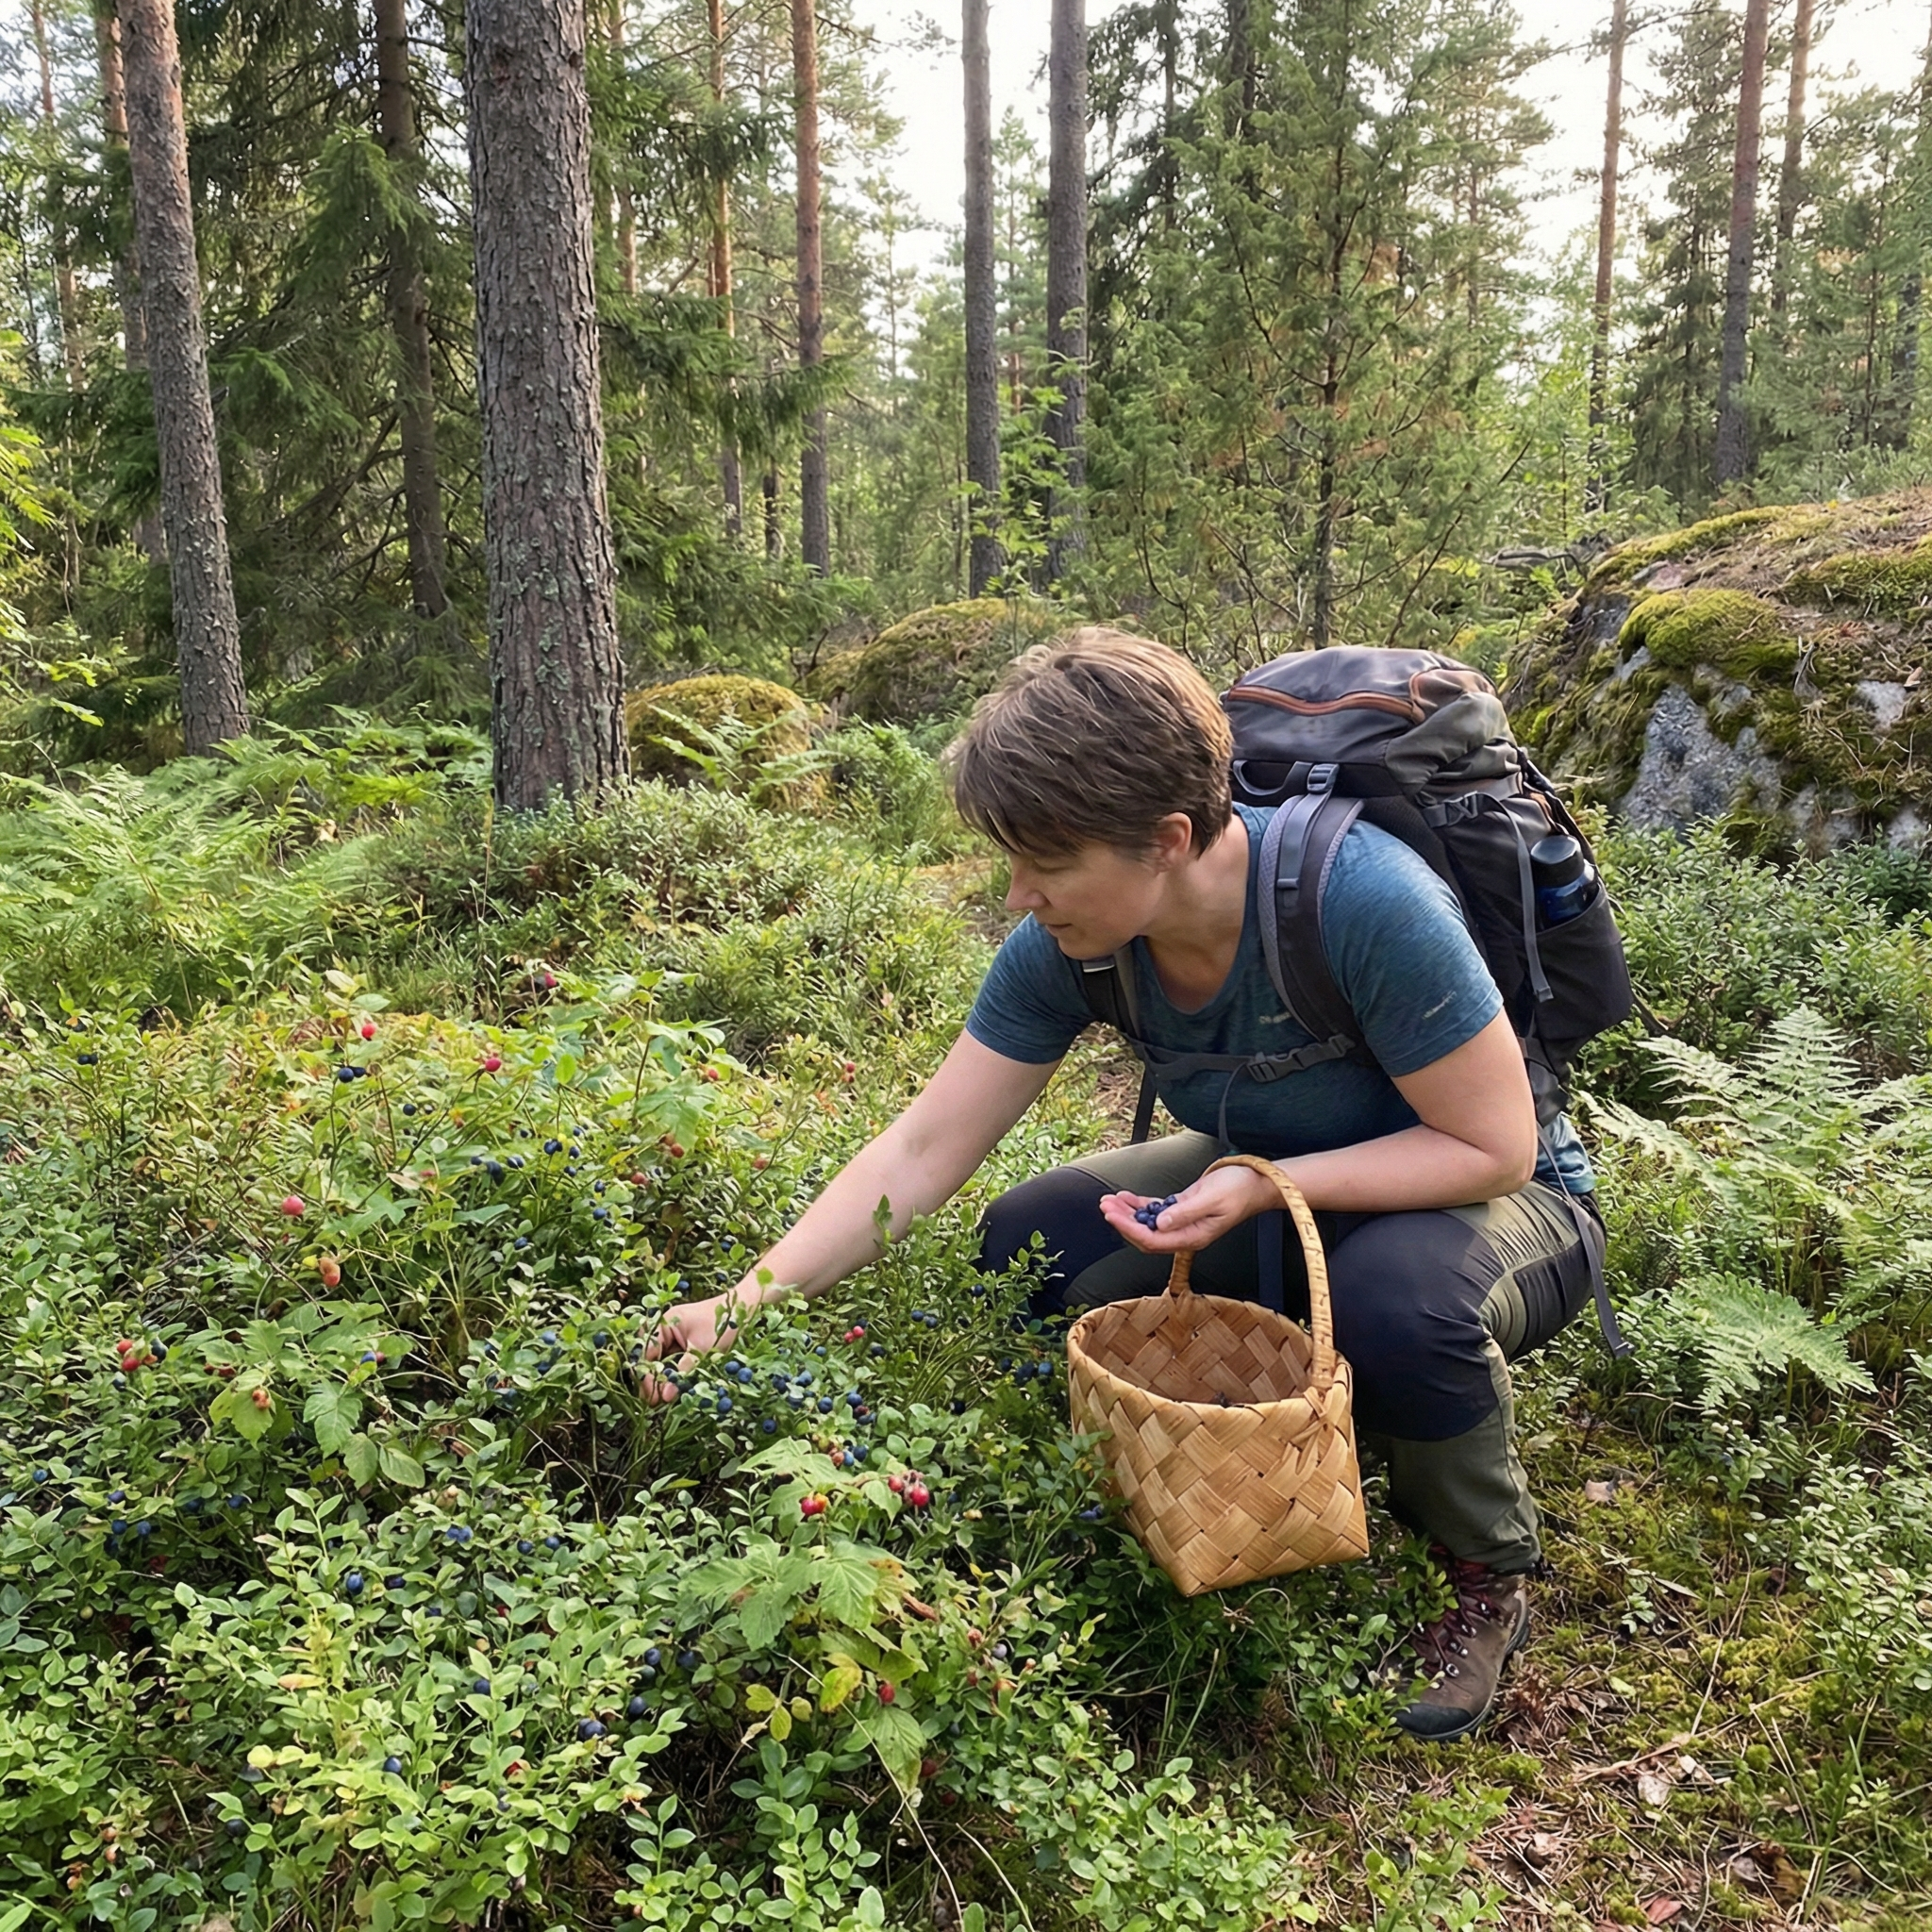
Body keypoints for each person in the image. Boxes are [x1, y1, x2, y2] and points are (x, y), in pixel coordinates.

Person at [644, 628, 1604, 1743]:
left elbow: (1493, 1146)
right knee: (1030, 1235)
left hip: (1496, 1199)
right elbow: (919, 1148)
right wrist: (744, 1299)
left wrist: (1260, 1183)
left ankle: (1480, 1570)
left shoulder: (1361, 901)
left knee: (1399, 1303)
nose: (1016, 894)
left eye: (1044, 861)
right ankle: (1135, 1473)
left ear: (1168, 838)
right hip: (1276, 1178)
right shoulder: (1072, 943)